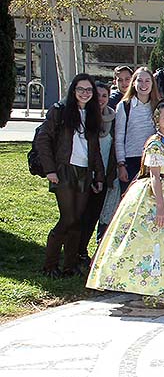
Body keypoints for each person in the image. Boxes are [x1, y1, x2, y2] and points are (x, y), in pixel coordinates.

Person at [87, 102, 164, 307]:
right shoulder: (155, 143)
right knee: (159, 241)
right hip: (159, 193)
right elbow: (154, 176)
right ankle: (158, 291)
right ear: (157, 120)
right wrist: (160, 206)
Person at [35, 74, 105, 277]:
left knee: (78, 220)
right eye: (80, 89)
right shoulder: (60, 111)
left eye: (89, 90)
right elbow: (43, 139)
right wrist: (50, 170)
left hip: (85, 172)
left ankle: (70, 265)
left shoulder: (92, 114)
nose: (85, 93)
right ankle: (50, 265)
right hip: (64, 170)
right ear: (73, 91)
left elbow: (95, 149)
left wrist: (99, 176)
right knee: (68, 218)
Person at [80, 81, 119, 268]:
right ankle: (75, 252)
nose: (101, 99)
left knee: (94, 216)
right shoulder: (84, 117)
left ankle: (83, 252)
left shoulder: (114, 118)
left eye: (105, 95)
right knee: (79, 215)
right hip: (84, 172)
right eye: (97, 95)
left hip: (103, 176)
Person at [113, 67, 160, 189]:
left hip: (153, 160)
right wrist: (121, 165)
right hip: (131, 160)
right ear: (134, 83)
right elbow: (119, 137)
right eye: (140, 80)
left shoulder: (158, 106)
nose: (143, 84)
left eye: (147, 81)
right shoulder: (124, 106)